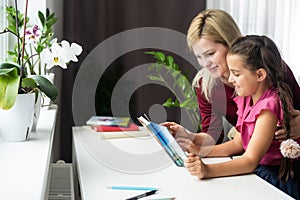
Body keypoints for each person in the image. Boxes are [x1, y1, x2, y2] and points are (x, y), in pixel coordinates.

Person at [162, 9, 300, 155]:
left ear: (231, 43)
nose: (205, 64)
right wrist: (188, 136)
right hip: (256, 159)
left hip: (288, 157)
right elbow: (213, 136)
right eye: (199, 57)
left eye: (210, 54)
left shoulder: (269, 67)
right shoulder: (206, 86)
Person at [185, 35, 300, 199]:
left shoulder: (269, 107)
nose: (231, 80)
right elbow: (238, 143)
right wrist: (199, 150)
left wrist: (208, 170)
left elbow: (250, 160)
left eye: (236, 74)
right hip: (258, 171)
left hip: (274, 180)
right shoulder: (247, 98)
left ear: (260, 75)